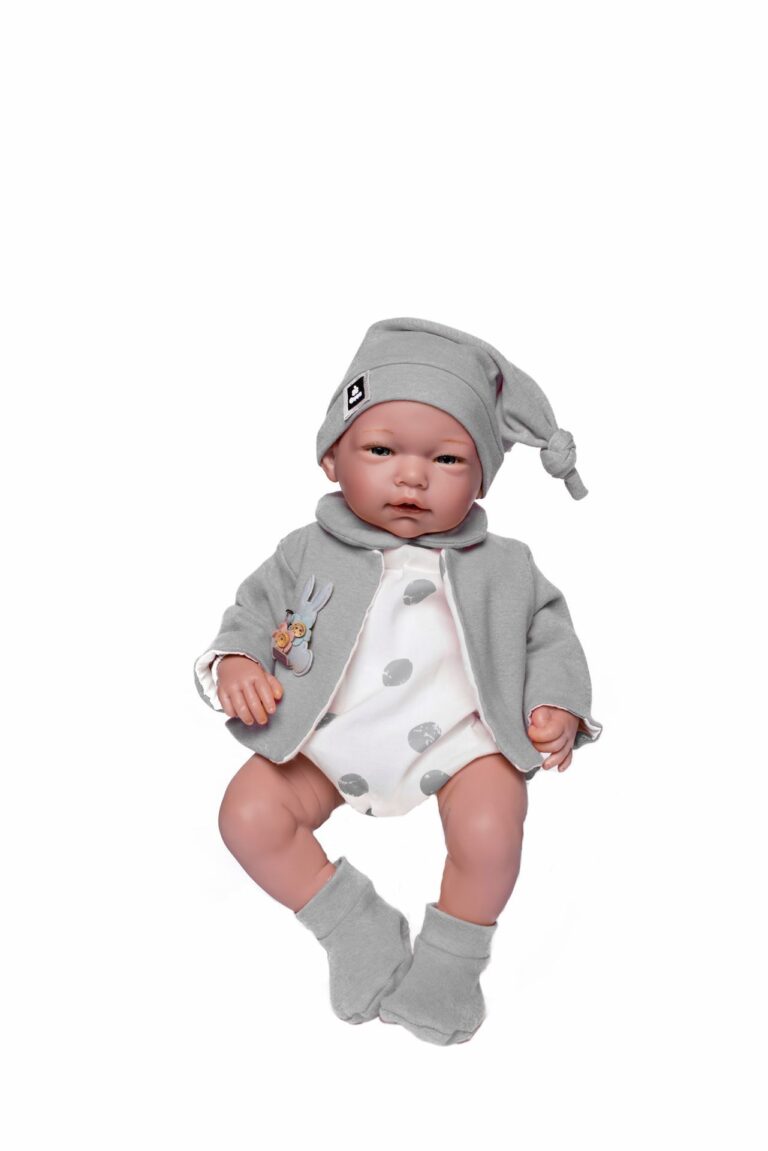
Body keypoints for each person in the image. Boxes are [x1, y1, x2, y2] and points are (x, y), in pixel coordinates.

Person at [193, 317, 602, 1045]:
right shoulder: (304, 550)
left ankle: (451, 963)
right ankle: (353, 926)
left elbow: (549, 631)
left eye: (447, 458)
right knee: (247, 814)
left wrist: (556, 702)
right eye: (381, 450)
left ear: (482, 476)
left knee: (491, 827)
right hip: (327, 739)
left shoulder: (505, 565)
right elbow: (252, 613)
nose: (412, 477)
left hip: (462, 741)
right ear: (332, 457)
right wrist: (239, 663)